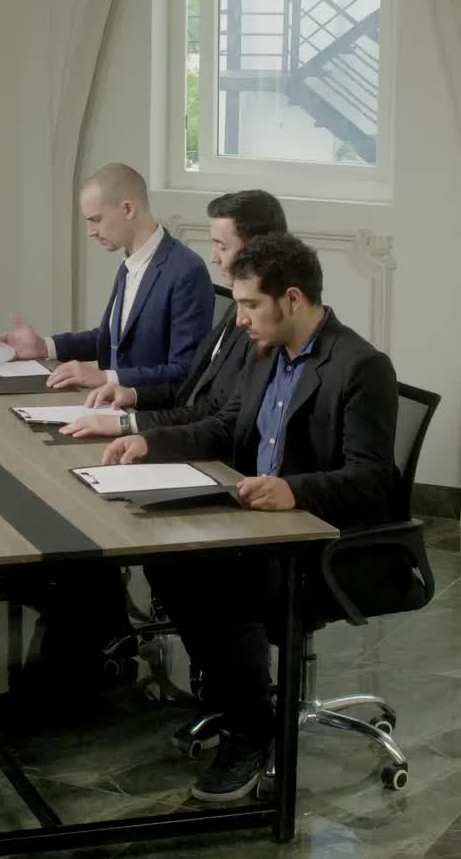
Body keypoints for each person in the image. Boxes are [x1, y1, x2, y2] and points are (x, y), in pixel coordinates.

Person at [103, 232, 401, 804]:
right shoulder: (266, 353)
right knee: (167, 562)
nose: (238, 320)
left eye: (249, 305)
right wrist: (148, 442)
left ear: (292, 299)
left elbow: (373, 480)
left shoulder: (361, 367)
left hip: (323, 541)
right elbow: (225, 425)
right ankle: (240, 699)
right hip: (256, 520)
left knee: (220, 582)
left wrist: (293, 489)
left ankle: (251, 729)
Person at [59, 189, 288, 443]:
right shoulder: (237, 310)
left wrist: (129, 424)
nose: (213, 257)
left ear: (257, 250)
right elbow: (191, 391)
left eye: (221, 246)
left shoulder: (263, 327)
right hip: (178, 429)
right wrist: (134, 394)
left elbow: (219, 416)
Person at [0, 163, 213, 392]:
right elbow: (113, 339)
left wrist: (105, 378)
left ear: (127, 209)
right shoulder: (130, 263)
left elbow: (184, 371)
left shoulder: (187, 271)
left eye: (96, 219)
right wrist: (44, 346)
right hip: (107, 403)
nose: (90, 231)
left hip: (146, 409)